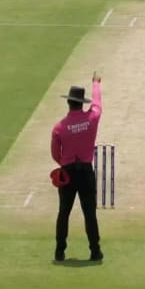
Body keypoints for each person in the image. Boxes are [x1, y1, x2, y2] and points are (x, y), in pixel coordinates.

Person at [50, 71, 103, 262]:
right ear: (82, 103)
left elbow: (55, 154)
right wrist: (96, 83)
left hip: (68, 172)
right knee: (90, 213)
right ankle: (95, 251)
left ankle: (59, 251)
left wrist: (64, 164)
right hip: (86, 171)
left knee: (64, 212)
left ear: (68, 102)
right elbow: (98, 106)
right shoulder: (92, 119)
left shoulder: (59, 127)